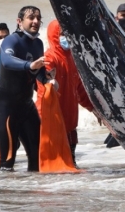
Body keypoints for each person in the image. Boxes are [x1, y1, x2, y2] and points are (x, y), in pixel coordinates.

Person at [0, 6, 55, 171]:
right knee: (7, 160)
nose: (35, 21)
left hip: (26, 105)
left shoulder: (38, 43)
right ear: (19, 22)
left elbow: (37, 71)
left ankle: (28, 194)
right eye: (31, 18)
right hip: (5, 106)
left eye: (38, 18)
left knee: (36, 156)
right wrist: (29, 64)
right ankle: (2, 196)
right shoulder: (12, 40)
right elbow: (6, 60)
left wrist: (46, 78)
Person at [36, 19, 96, 166]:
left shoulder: (73, 58)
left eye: (69, 33)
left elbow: (80, 89)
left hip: (69, 123)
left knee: (70, 166)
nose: (67, 37)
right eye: (63, 33)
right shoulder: (49, 58)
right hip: (52, 121)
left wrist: (93, 108)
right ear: (54, 34)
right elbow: (44, 85)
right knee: (53, 166)